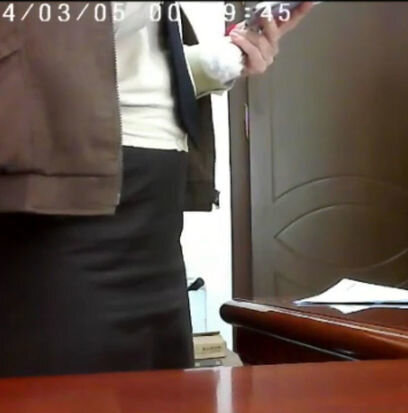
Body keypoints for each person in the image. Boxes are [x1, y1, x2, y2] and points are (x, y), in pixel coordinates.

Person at [0, 1, 313, 378]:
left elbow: (115, 65)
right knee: (62, 393)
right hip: (63, 203)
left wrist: (218, 60)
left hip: (157, 209)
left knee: (163, 394)